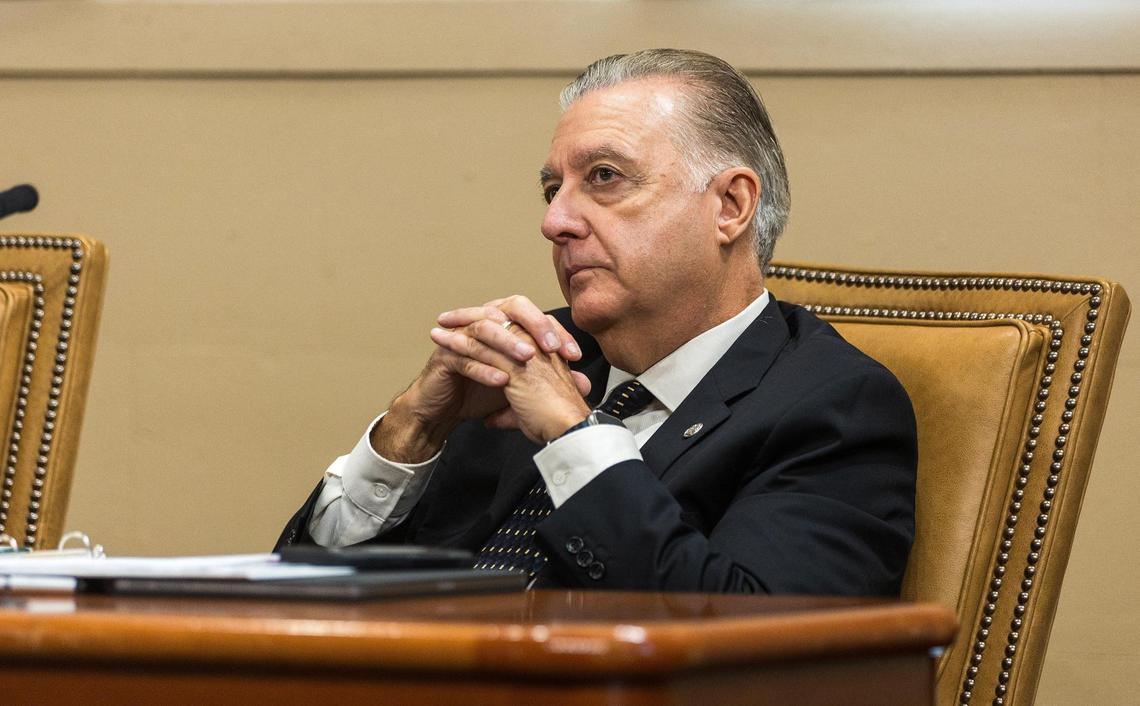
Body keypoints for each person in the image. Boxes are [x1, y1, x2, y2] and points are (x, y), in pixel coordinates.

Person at [277, 48, 917, 594]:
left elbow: (744, 646)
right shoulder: (536, 356)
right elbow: (299, 607)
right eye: (553, 189)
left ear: (730, 205)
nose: (555, 221)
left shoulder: (833, 406)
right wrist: (412, 431)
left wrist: (573, 437)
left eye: (604, 177)